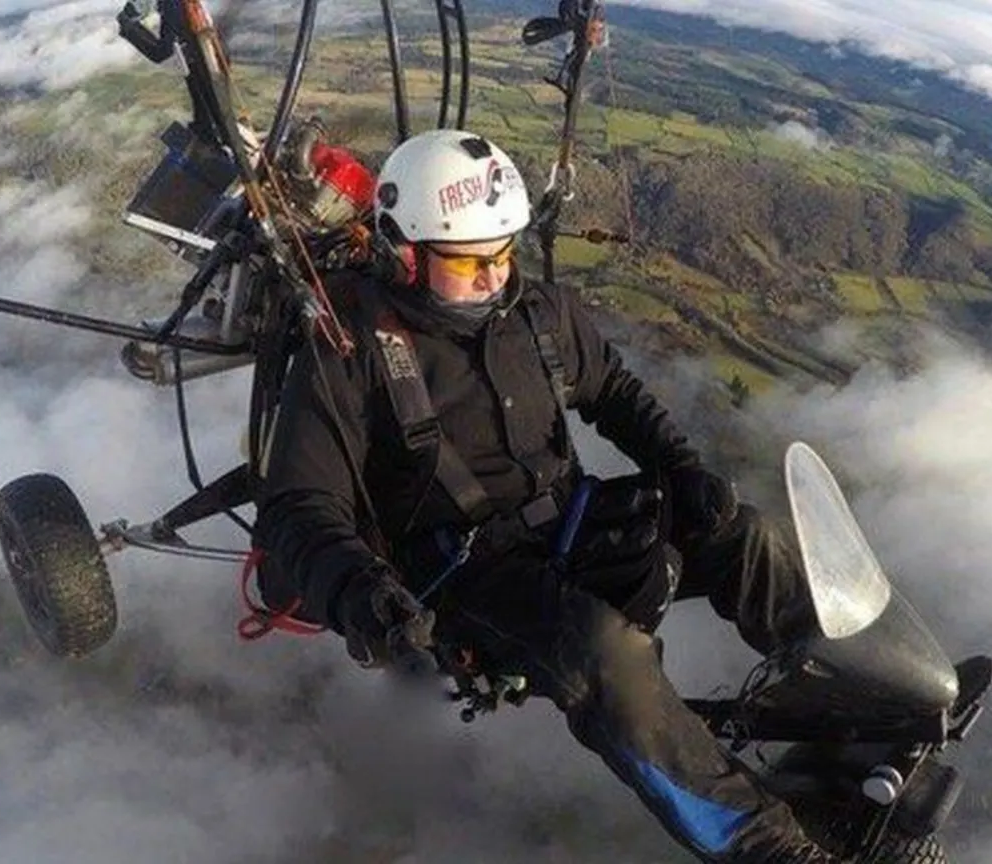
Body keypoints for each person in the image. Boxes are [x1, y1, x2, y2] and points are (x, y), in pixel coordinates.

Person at [253, 129, 839, 863]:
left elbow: (612, 391)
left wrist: (680, 470)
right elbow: (299, 504)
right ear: (404, 254)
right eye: (467, 262)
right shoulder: (352, 352)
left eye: (503, 254)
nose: (492, 277)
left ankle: (836, 698)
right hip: (461, 576)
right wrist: (363, 595)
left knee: (742, 535)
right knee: (604, 655)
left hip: (570, 520)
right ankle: (763, 847)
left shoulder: (536, 313)